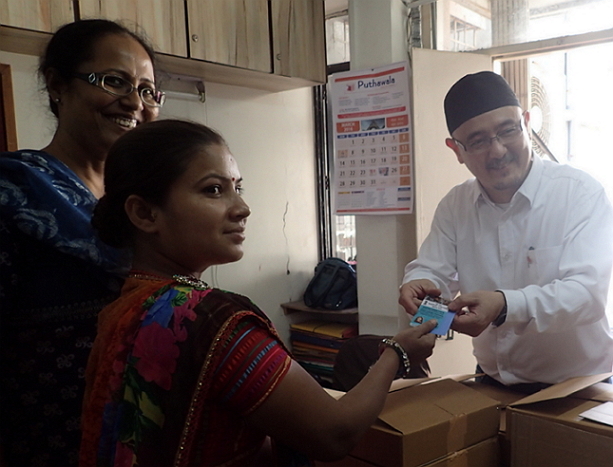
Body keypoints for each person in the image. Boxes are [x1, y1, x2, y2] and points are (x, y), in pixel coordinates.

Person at [80, 119, 437, 466]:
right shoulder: (213, 323)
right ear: (144, 213)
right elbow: (334, 432)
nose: (242, 208)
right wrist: (397, 352)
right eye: (213, 190)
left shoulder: (124, 309)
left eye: (238, 187)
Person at [0, 19, 163, 466]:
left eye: (148, 91)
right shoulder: (13, 192)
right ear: (57, 84)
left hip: (142, 436)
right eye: (114, 81)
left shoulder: (145, 204)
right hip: (44, 440)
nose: (134, 102)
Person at [399, 71, 613, 392]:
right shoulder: (456, 205)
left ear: (526, 123)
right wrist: (423, 287)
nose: (497, 150)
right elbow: (435, 274)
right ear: (456, 150)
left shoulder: (579, 193)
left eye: (507, 130)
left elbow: (587, 295)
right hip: (491, 382)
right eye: (478, 140)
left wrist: (504, 305)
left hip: (579, 387)